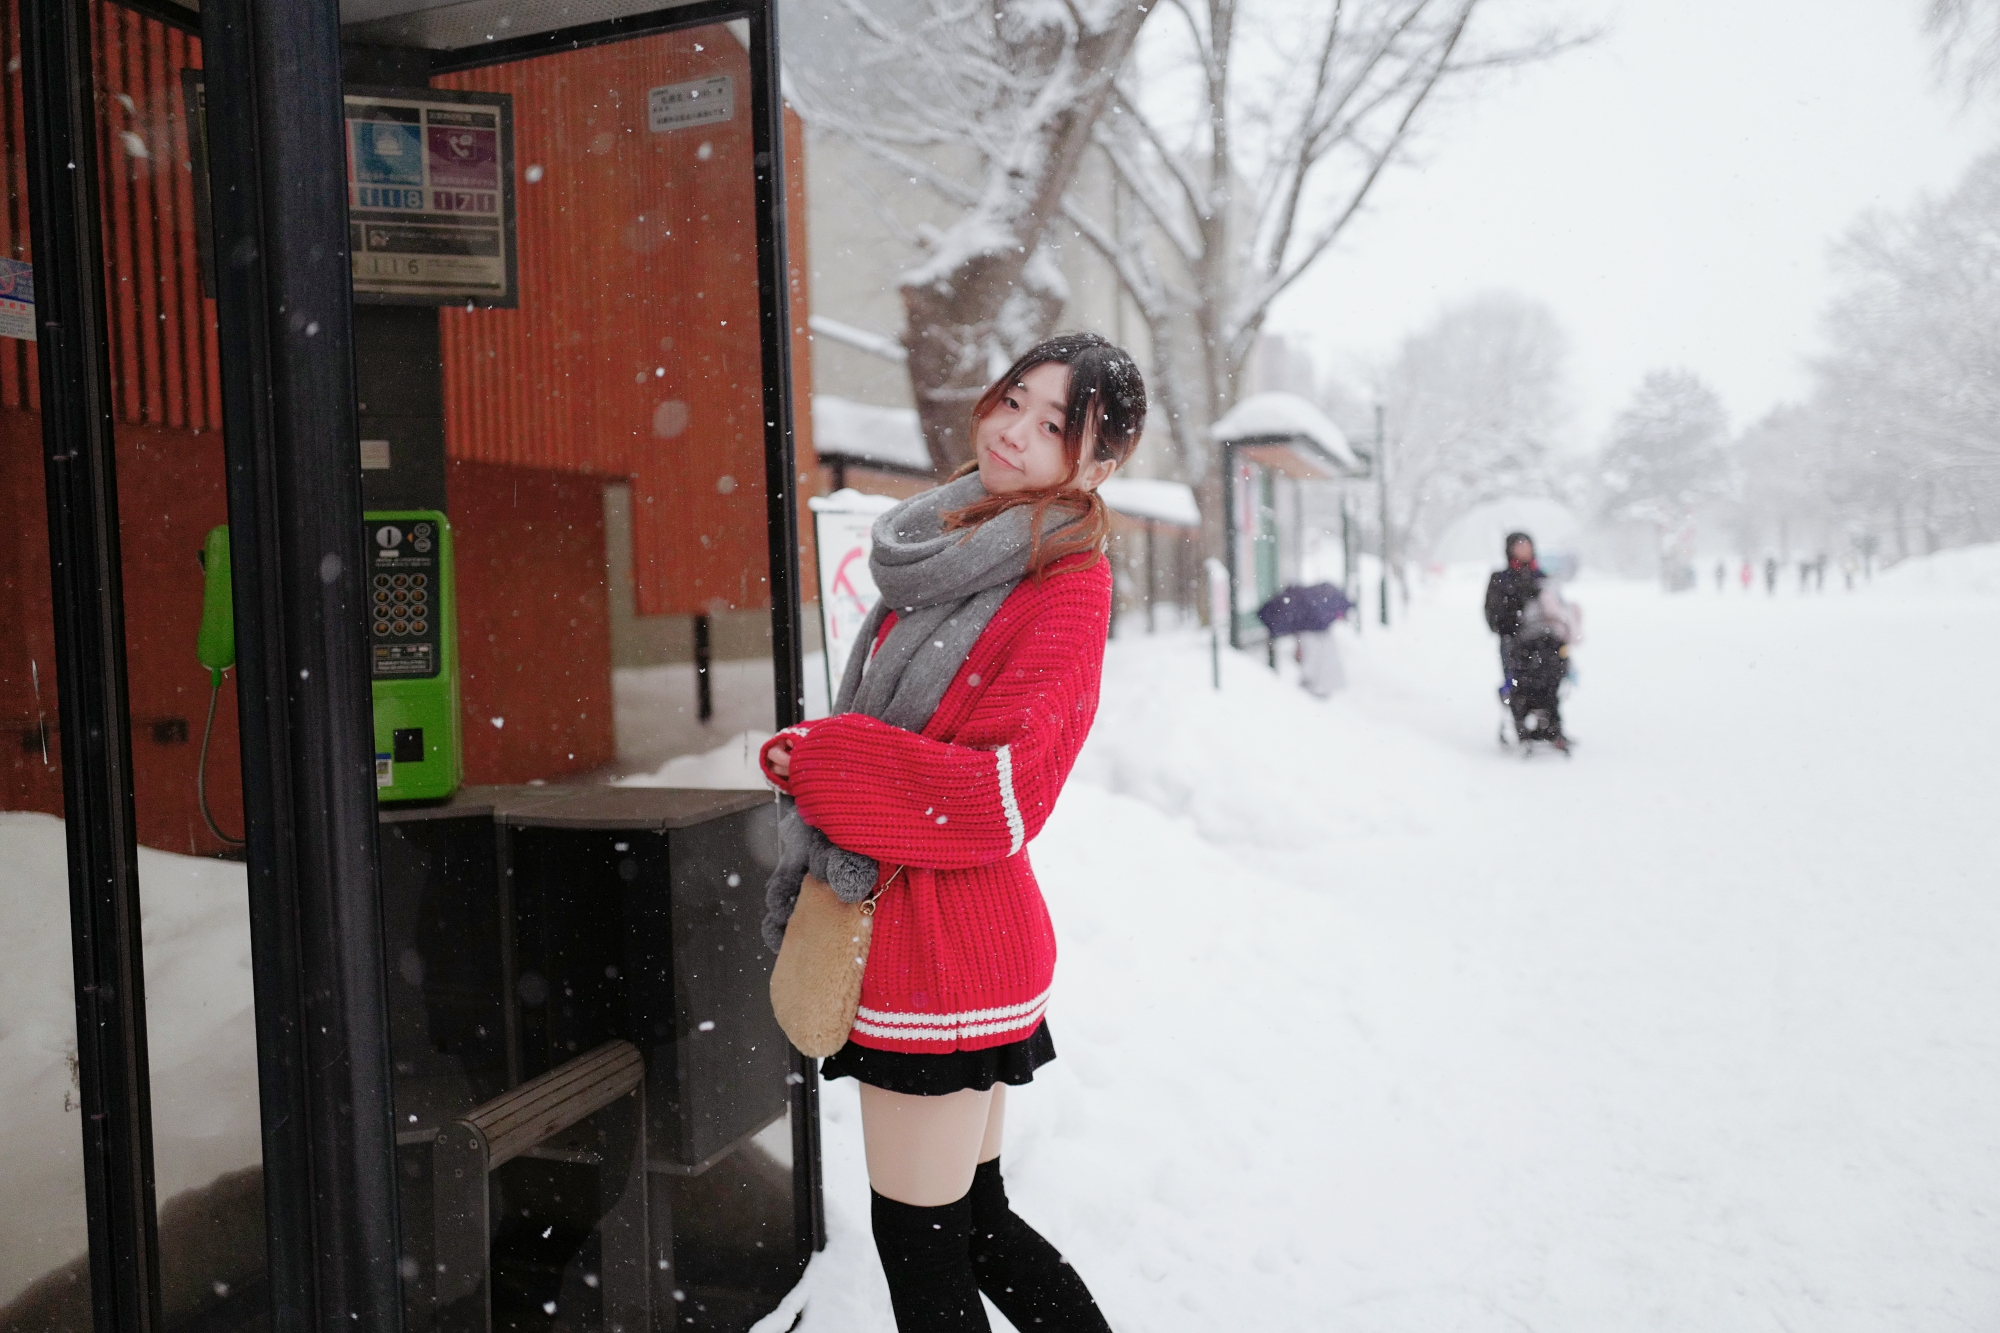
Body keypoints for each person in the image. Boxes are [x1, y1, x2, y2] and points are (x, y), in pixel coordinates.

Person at [759, 332, 1144, 1332]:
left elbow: (1001, 798)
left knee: (923, 1250)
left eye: (1054, 424)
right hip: (927, 941)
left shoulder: (1062, 578)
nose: (1013, 430)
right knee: (972, 1226)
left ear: (1097, 464)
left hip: (943, 954)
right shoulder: (943, 545)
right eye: (1012, 399)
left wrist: (828, 761)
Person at [1484, 532, 1575, 750]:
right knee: (1518, 681)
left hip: (1546, 643)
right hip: (1515, 643)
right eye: (1519, 545)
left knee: (1552, 677)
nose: (1524, 549)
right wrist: (1516, 606)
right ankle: (1521, 721)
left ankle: (1551, 723)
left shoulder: (1541, 576)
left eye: (1527, 544)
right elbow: (1494, 615)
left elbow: (1557, 607)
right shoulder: (1501, 578)